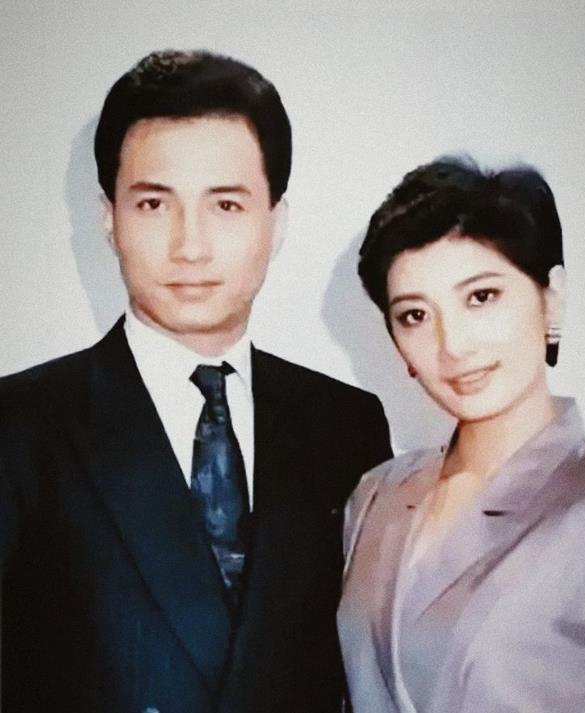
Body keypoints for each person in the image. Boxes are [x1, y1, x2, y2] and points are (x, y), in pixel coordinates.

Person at [0, 49, 392, 713]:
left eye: (227, 205)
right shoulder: (18, 426)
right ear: (108, 218)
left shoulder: (345, 425)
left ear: (276, 221)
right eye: (154, 203)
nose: (190, 246)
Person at [338, 156, 585, 712]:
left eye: (481, 297)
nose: (452, 345)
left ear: (551, 298)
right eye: (415, 315)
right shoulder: (376, 497)